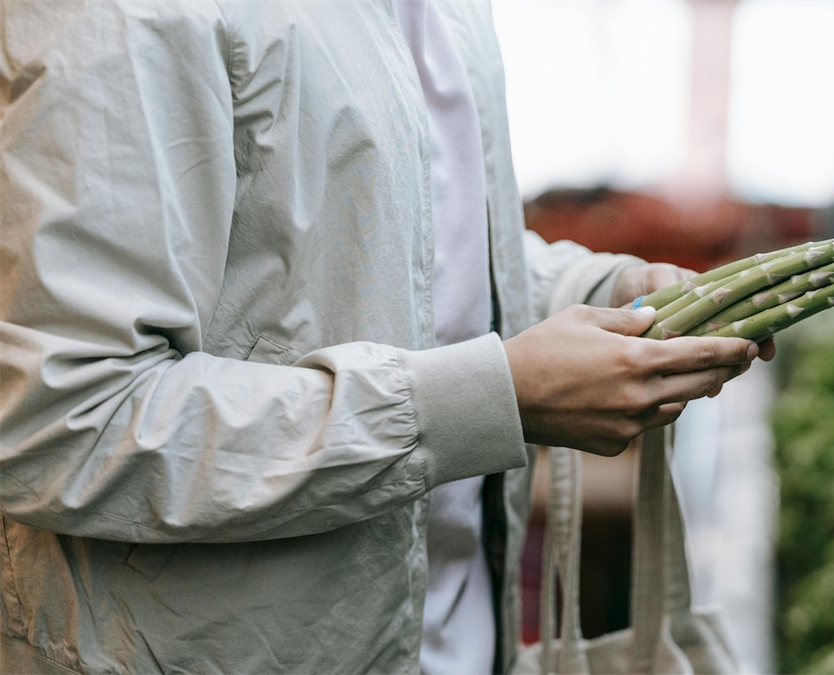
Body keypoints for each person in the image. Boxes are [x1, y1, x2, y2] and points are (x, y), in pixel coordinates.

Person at [0, 2, 771, 674]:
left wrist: (595, 296)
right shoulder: (117, 13)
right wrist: (490, 397)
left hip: (459, 644)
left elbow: (401, 258)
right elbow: (64, 417)